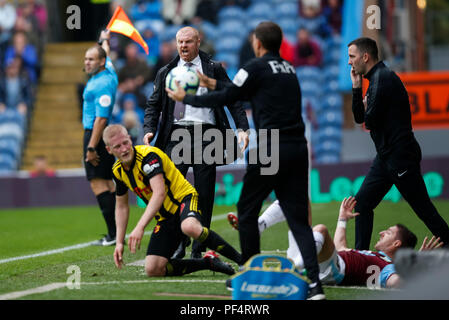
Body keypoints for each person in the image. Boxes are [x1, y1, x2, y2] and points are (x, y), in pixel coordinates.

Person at [166, 21, 325, 300]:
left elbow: (229, 94)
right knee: (298, 219)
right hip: (298, 146)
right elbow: (239, 89)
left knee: (247, 210)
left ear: (258, 43)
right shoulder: (289, 70)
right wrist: (207, 81)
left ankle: (252, 274)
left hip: (271, 145)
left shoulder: (254, 67)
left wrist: (188, 97)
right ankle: (315, 285)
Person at [143, 26, 250, 259]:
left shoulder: (213, 69)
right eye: (180, 42)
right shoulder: (167, 71)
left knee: (204, 192)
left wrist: (242, 128)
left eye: (188, 42)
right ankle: (179, 243)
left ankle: (199, 246)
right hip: (176, 135)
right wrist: (149, 130)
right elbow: (154, 105)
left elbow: (234, 99)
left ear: (198, 42)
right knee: (174, 192)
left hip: (207, 135)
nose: (183, 46)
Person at [348, 37, 449, 250]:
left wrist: (367, 107)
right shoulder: (374, 80)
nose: (349, 62)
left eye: (352, 56)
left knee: (424, 211)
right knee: (362, 204)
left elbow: (369, 120)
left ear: (365, 57)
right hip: (386, 157)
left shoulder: (383, 78)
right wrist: (357, 89)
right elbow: (361, 118)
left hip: (400, 156)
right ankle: (362, 258)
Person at [103, 124, 242, 277]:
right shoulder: (117, 172)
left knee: (190, 227)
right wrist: (119, 242)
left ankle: (242, 260)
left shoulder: (148, 156)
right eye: (117, 146)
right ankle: (208, 262)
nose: (124, 149)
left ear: (130, 139)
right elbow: (122, 207)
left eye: (125, 143)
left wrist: (140, 227)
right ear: (109, 150)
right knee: (153, 270)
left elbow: (159, 193)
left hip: (184, 199)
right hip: (165, 217)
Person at [228, 197, 444, 288]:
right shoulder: (375, 257)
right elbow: (341, 248)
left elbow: (398, 283)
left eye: (387, 233)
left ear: (396, 244)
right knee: (299, 199)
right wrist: (342, 219)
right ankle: (259, 226)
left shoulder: (387, 266)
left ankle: (290, 271)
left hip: (331, 271)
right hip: (323, 262)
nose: (381, 233)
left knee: (320, 230)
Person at [82, 30, 118, 246]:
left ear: (101, 62)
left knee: (98, 183)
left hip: (96, 135)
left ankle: (113, 234)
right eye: (85, 59)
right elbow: (106, 52)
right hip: (102, 136)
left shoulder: (101, 84)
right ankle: (116, 231)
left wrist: (92, 147)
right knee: (107, 183)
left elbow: (101, 119)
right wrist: (105, 39)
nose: (86, 63)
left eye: (91, 59)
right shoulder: (109, 72)